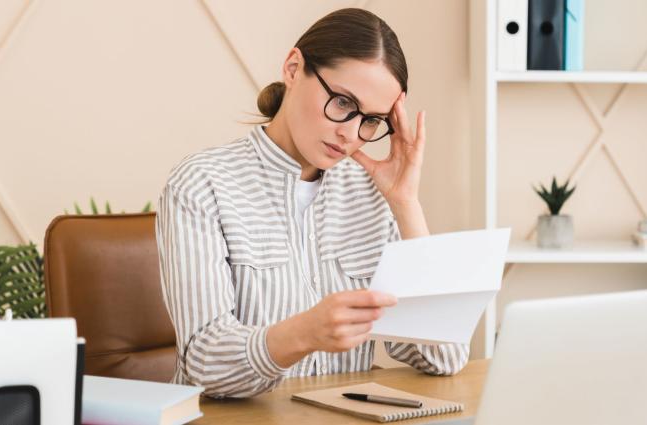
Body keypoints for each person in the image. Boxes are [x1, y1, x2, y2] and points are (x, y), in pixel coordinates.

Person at [155, 8, 468, 398]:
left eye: (371, 121)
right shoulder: (202, 184)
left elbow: (446, 357)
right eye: (341, 102)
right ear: (292, 67)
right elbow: (205, 365)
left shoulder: (370, 192)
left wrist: (406, 205)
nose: (350, 134)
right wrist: (301, 334)